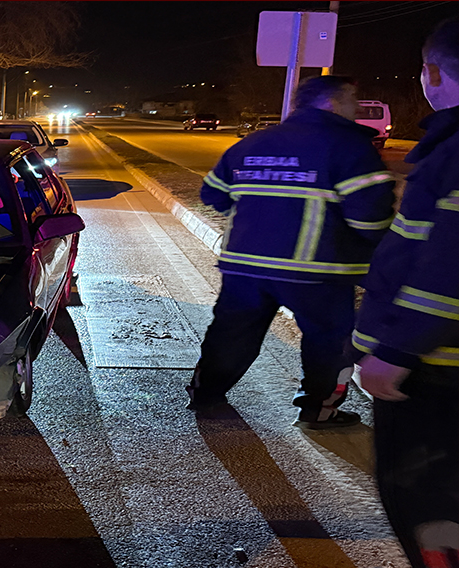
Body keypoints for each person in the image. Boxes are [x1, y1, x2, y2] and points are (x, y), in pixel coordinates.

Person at [186, 74, 396, 429]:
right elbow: (371, 217)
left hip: (245, 266)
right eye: (351, 99)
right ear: (330, 103)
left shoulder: (253, 142)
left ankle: (206, 395)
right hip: (318, 270)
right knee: (329, 341)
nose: (357, 108)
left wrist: (261, 215)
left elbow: (213, 195)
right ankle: (319, 410)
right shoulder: (350, 147)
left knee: (232, 332)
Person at [353, 18, 459, 568]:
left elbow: (449, 268)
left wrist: (395, 352)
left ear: (433, 72)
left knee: (428, 509)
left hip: (437, 374)